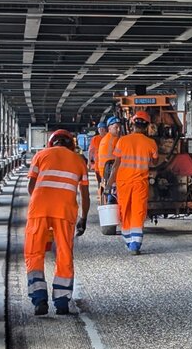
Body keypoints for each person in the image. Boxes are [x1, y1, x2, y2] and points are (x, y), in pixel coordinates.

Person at [25, 130, 90, 316]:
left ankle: (39, 300)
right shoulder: (79, 161)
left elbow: (31, 186)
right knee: (64, 253)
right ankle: (61, 302)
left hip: (39, 210)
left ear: (51, 143)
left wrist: (42, 202)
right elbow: (85, 196)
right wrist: (83, 218)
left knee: (34, 253)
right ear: (71, 145)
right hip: (65, 212)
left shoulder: (40, 155)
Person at [108, 110, 159, 254]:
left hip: (123, 182)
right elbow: (155, 162)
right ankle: (135, 243)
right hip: (140, 183)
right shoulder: (151, 143)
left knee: (125, 210)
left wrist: (108, 184)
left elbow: (116, 164)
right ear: (147, 126)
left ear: (132, 124)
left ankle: (128, 239)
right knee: (138, 211)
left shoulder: (122, 141)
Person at [95, 116, 121, 198]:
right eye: (116, 127)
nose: (118, 130)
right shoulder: (116, 140)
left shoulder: (104, 139)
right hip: (111, 173)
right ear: (109, 128)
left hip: (104, 172)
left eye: (119, 127)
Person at [86, 121, 106, 188]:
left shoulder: (110, 138)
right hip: (98, 165)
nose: (101, 130)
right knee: (99, 181)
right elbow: (91, 151)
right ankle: (100, 191)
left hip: (107, 165)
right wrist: (89, 161)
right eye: (100, 129)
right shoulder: (95, 139)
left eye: (102, 128)